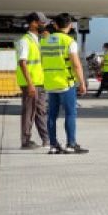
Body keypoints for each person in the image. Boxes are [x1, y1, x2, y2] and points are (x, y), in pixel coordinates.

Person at [41, 13, 88, 154]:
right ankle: (71, 144)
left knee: (51, 115)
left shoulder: (44, 41)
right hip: (65, 82)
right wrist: (82, 83)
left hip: (50, 82)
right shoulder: (69, 41)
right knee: (70, 114)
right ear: (70, 25)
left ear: (55, 25)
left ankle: (54, 146)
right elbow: (76, 65)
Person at [16, 13, 49, 149]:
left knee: (40, 111)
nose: (44, 25)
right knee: (29, 112)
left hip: (40, 82)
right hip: (31, 83)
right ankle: (25, 140)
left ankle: (46, 139)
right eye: (42, 23)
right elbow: (22, 63)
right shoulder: (25, 41)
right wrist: (30, 84)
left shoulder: (38, 40)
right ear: (33, 23)